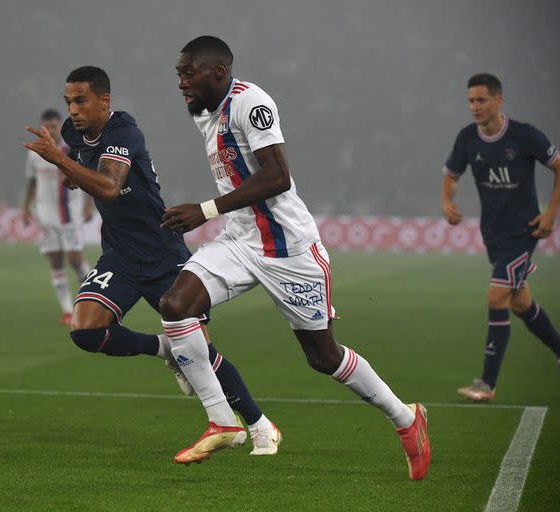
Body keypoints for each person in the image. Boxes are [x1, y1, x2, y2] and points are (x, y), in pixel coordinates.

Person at [160, 35, 430, 479]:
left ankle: (406, 418)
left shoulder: (252, 103)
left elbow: (278, 176)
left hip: (289, 249)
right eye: (178, 74)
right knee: (176, 306)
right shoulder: (204, 111)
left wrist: (204, 210)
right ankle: (223, 420)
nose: (182, 81)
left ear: (220, 72)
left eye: (190, 73)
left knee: (324, 357)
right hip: (241, 241)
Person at [24, 66, 281, 456]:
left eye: (81, 100)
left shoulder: (125, 132)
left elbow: (109, 186)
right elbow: (84, 173)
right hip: (119, 255)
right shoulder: (74, 136)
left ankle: (260, 425)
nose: (72, 111)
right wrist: (71, 173)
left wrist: (61, 164)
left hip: (162, 251)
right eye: (68, 102)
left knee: (202, 353)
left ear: (104, 100)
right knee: (86, 331)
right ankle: (165, 349)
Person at [441, 73, 560, 402]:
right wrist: (448, 201)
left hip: (523, 233)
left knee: (495, 297)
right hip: (494, 234)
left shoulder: (524, 135)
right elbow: (451, 176)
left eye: (481, 100)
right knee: (519, 302)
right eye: (471, 100)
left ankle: (486, 384)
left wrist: (551, 213)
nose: (475, 106)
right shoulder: (467, 139)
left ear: (498, 100)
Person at [22, 108, 94, 326]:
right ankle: (67, 311)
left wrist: (90, 204)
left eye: (54, 126)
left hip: (70, 214)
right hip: (45, 215)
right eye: (47, 126)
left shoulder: (73, 149)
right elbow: (32, 182)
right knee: (55, 261)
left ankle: (94, 300)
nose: (51, 130)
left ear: (60, 126)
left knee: (75, 259)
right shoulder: (34, 152)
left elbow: (87, 176)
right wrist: (25, 207)